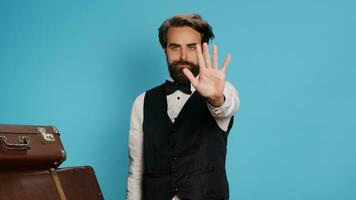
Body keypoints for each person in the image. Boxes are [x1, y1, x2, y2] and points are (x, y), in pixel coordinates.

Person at [127, 14, 240, 200]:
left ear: (203, 50)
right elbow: (136, 171)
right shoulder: (142, 102)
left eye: (191, 47)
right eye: (174, 47)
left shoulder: (223, 91)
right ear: (165, 50)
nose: (183, 56)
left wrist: (216, 98)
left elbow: (225, 107)